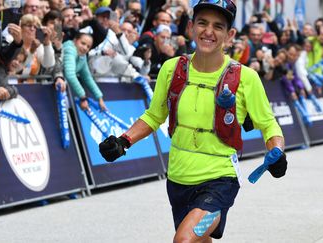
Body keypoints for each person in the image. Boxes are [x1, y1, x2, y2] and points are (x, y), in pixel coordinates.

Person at [98, 1, 287, 242]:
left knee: (184, 239)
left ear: (230, 35)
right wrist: (124, 141)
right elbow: (155, 115)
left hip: (220, 180)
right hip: (178, 179)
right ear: (191, 27)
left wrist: (277, 151)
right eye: (203, 23)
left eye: (218, 26)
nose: (209, 31)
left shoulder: (246, 77)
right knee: (199, 240)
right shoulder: (171, 69)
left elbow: (268, 123)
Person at [62, 32, 106, 111]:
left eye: (88, 46)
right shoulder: (69, 49)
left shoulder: (82, 56)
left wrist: (100, 97)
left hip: (61, 89)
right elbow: (70, 75)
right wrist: (83, 97)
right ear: (75, 40)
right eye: (83, 43)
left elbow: (87, 77)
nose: (85, 48)